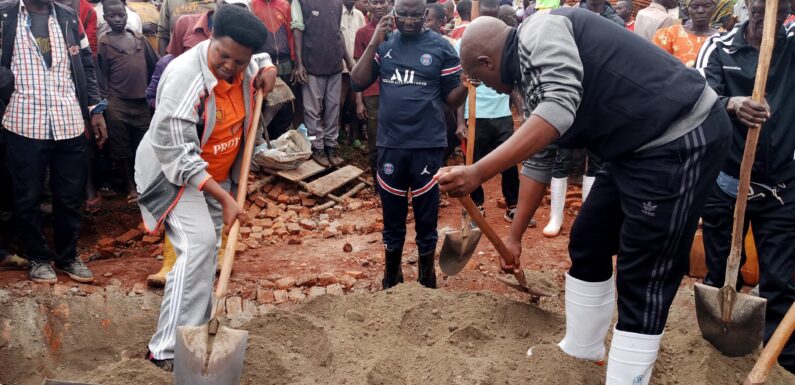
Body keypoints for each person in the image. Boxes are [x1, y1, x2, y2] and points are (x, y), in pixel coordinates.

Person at [439, 12, 730, 384]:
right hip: (630, 147)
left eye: (479, 79)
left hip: (680, 135)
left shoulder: (541, 32)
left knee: (645, 270)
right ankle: (583, 348)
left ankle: (628, 378)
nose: (484, 87)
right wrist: (513, 237)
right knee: (589, 238)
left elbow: (559, 108)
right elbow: (539, 157)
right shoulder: (525, 84)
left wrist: (479, 171)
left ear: (487, 62)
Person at [137, 5, 275, 370]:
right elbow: (176, 154)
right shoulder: (185, 77)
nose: (230, 66)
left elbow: (260, 56)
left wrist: (267, 68)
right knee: (197, 247)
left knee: (204, 255)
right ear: (209, 37)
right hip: (172, 177)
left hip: (217, 174)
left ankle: (193, 333)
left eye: (240, 62)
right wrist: (225, 198)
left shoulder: (246, 61)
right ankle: (163, 350)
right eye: (223, 56)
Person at [696, 0, 795, 373]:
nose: (767, 5)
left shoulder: (792, 46)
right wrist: (730, 104)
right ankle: (719, 357)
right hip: (727, 185)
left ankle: (781, 365)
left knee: (778, 282)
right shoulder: (719, 48)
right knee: (722, 276)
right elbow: (697, 98)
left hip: (782, 190)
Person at [351, 0, 467, 290]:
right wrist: (375, 41)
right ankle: (392, 276)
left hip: (427, 144)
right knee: (393, 216)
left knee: (427, 217)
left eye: (416, 15)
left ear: (425, 14)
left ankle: (426, 278)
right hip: (391, 144)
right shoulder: (385, 44)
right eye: (403, 15)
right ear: (394, 14)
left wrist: (467, 84)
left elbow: (451, 100)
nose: (410, 21)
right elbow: (356, 81)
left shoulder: (441, 47)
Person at [1, 0, 107, 284]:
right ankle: (38, 258)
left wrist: (95, 109)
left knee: (70, 197)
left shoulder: (69, 16)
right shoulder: (5, 15)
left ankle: (68, 257)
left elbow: (86, 63)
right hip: (22, 121)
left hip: (68, 121)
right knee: (27, 197)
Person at [455, 0, 520, 223]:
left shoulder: (504, 44)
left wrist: (520, 112)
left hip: (501, 114)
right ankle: (477, 207)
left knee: (509, 161)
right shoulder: (463, 44)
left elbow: (512, 85)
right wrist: (460, 122)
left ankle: (513, 205)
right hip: (475, 115)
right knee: (473, 163)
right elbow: (460, 86)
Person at [98, 0, 159, 205]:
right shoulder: (104, 43)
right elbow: (101, 74)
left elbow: (156, 66)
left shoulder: (139, 39)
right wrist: (106, 99)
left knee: (144, 145)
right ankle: (130, 186)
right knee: (121, 148)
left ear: (127, 15)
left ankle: (145, 183)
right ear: (105, 18)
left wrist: (152, 92)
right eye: (112, 16)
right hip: (118, 104)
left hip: (142, 103)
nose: (117, 19)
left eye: (121, 15)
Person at [292, 0, 354, 167]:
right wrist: (299, 64)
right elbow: (297, 30)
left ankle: (331, 146)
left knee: (333, 108)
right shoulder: (301, 2)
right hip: (312, 65)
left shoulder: (337, 2)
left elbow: (339, 32)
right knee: (312, 110)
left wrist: (348, 60)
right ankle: (316, 146)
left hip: (334, 64)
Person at [354, 0, 393, 181]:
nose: (378, 6)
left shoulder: (399, 32)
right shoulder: (362, 33)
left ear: (389, 4)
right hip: (372, 94)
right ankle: (378, 182)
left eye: (382, 2)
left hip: (395, 92)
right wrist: (359, 101)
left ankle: (395, 178)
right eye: (374, 2)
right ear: (368, 5)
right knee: (375, 140)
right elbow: (358, 69)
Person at [252, 0, 297, 138]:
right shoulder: (251, 5)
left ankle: (279, 147)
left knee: (285, 110)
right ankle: (263, 147)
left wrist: (294, 61)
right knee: (265, 109)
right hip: (263, 67)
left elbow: (291, 36)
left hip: (284, 65)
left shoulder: (285, 5)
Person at [654, 0, 717, 67]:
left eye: (707, 6)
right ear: (688, 8)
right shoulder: (670, 35)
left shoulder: (722, 40)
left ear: (715, 8)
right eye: (694, 6)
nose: (700, 10)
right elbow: (658, 66)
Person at [341, 0, 367, 149]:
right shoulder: (336, 12)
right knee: (338, 103)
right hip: (341, 68)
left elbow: (363, 42)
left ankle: (353, 136)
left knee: (354, 102)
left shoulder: (359, 15)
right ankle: (338, 136)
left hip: (357, 67)